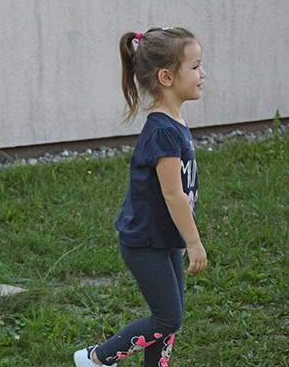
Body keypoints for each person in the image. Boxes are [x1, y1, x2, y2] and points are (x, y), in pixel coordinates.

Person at [74, 27, 208, 367]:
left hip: (163, 239)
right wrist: (193, 242)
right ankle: (96, 359)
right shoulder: (163, 130)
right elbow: (173, 193)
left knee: (168, 317)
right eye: (194, 67)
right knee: (168, 318)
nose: (202, 73)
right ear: (166, 77)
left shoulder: (174, 122)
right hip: (145, 242)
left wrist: (178, 238)